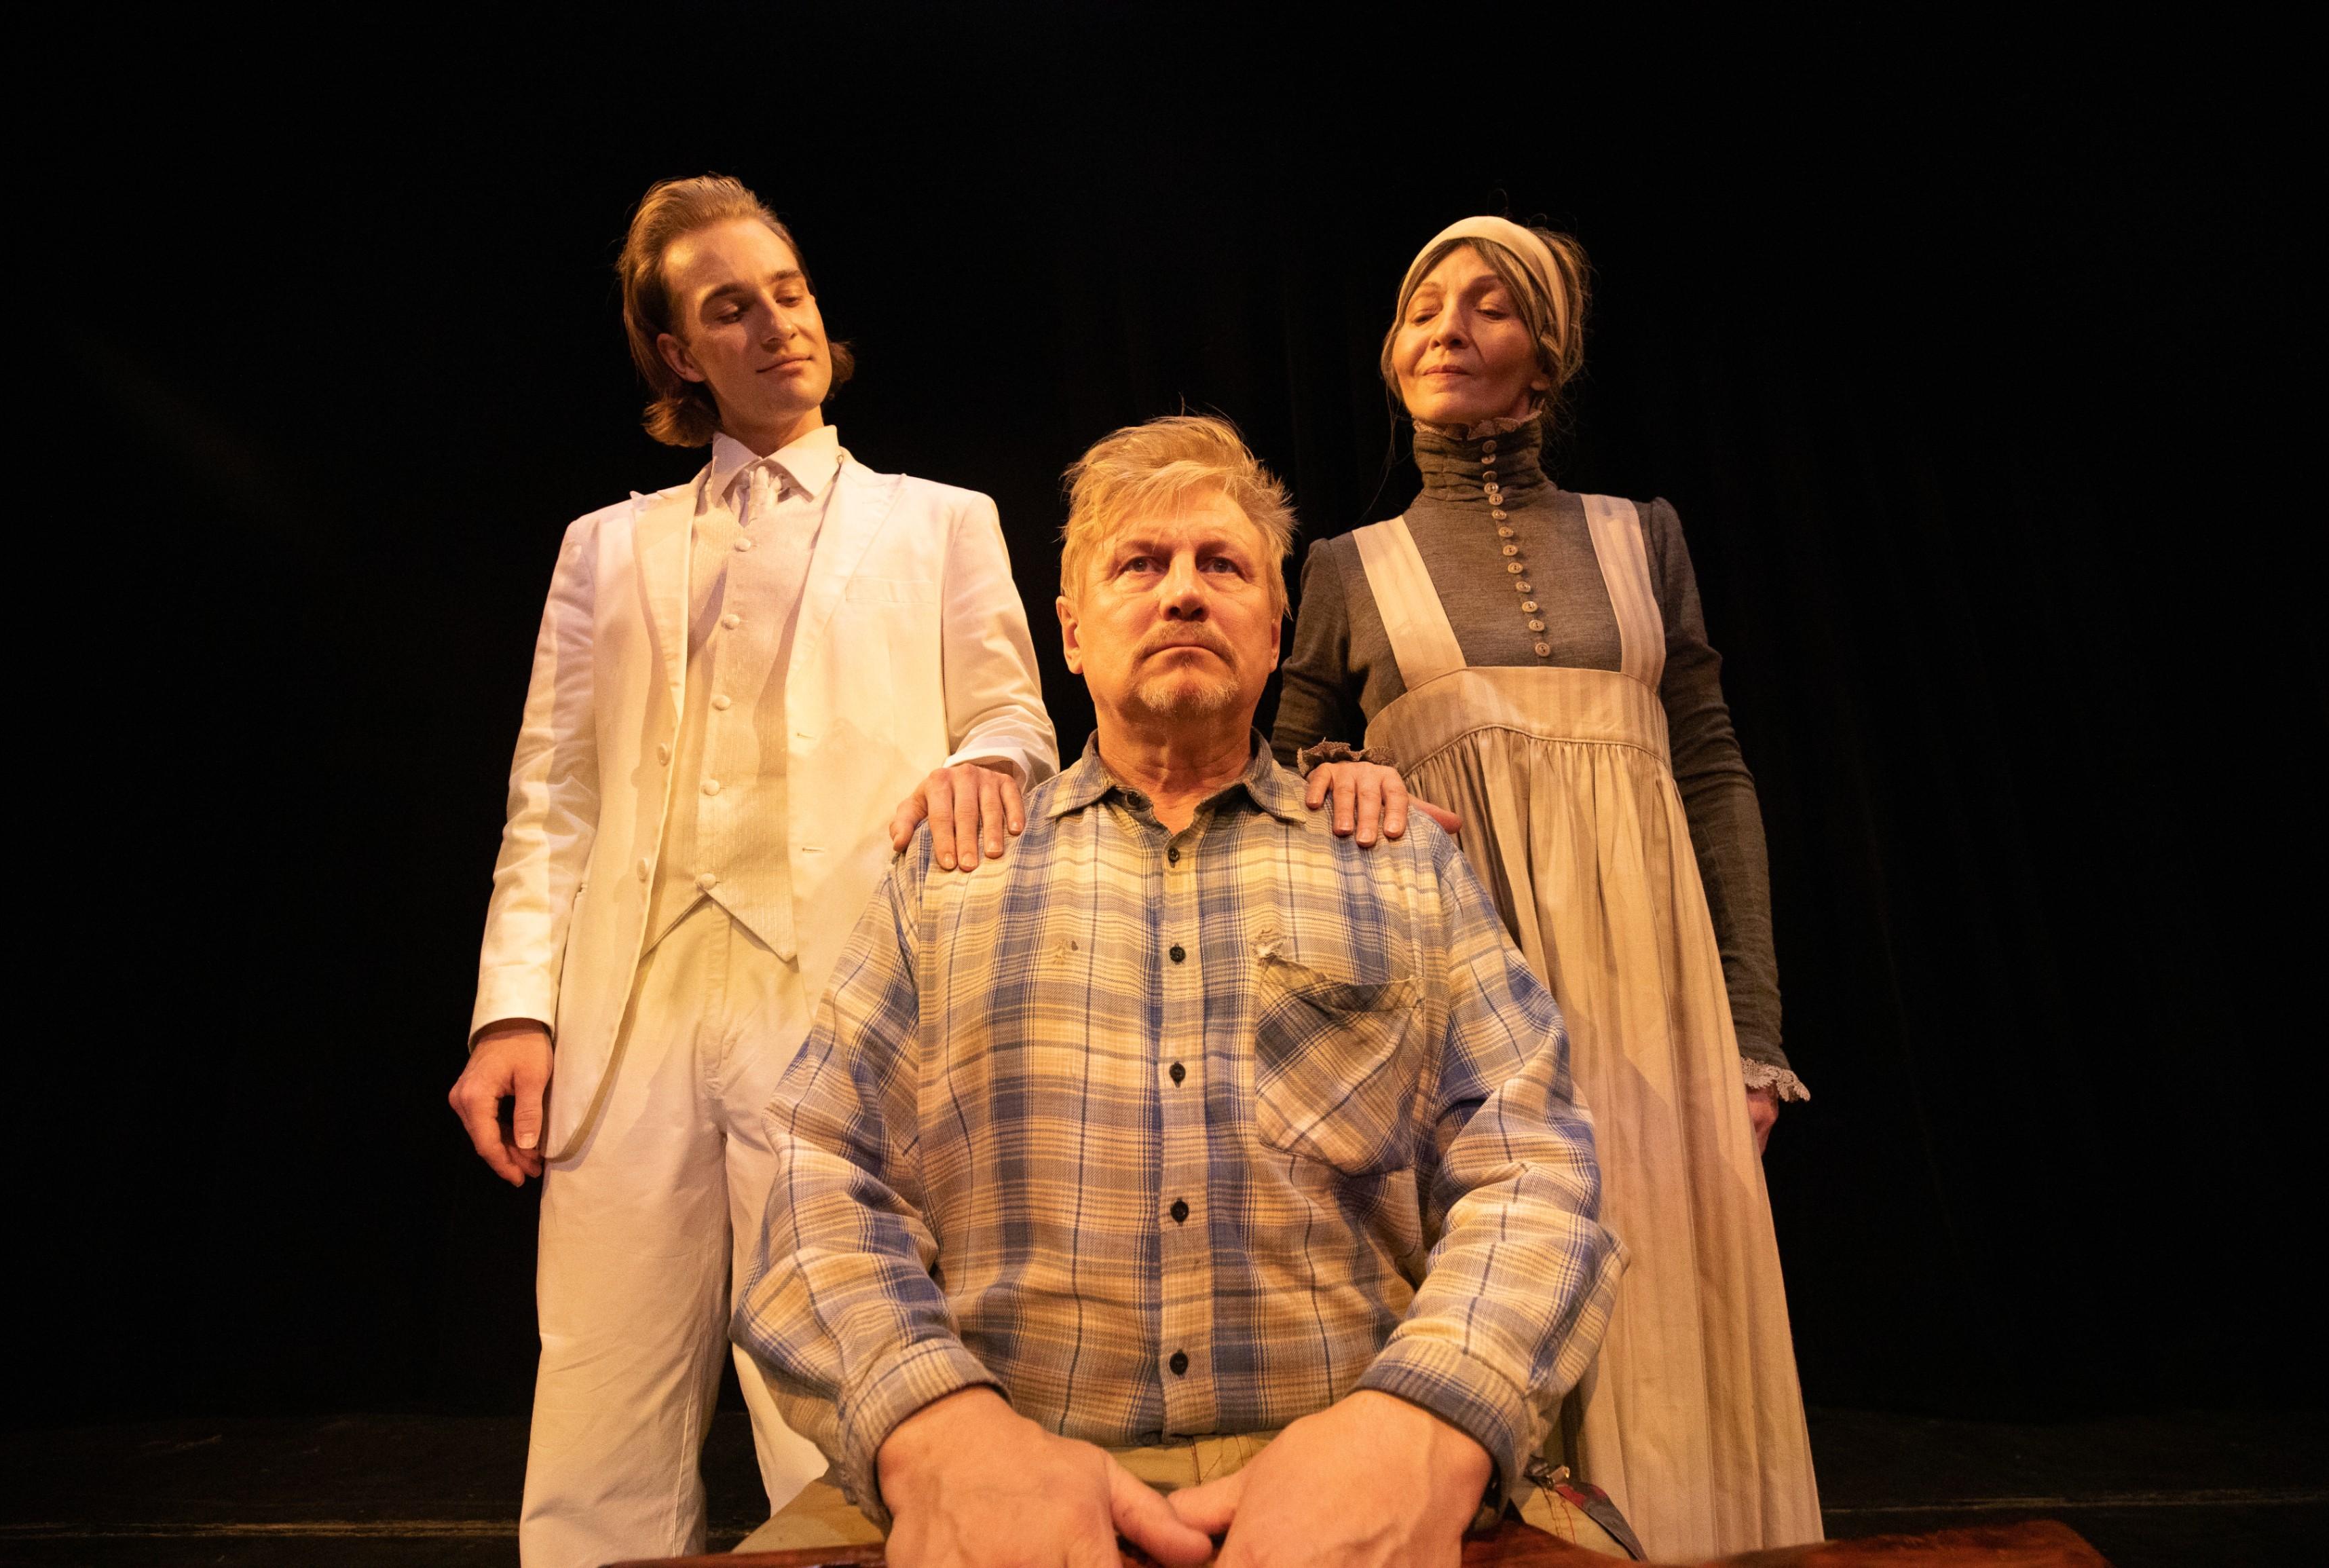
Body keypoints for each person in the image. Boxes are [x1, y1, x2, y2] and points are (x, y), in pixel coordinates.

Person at [735, 415, 1633, 1567]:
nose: (1182, 593)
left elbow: (1533, 1166)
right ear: (1069, 632)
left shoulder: (1397, 859)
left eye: (1222, 565)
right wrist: (935, 1432)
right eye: (1139, 564)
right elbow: (820, 1169)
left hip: (1350, 1460)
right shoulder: (951, 874)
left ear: (1276, 632)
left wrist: (1426, 1421)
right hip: (1003, 1457)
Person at [445, 174, 1059, 1568]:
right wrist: (512, 1010)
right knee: (600, 1396)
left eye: (789, 292)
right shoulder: (604, 548)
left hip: (836, 994)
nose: (777, 324)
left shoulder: (938, 521)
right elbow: (552, 797)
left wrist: (987, 767)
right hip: (631, 1005)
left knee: (836, 1396)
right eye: (731, 308)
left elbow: (1013, 721)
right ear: (678, 353)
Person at [1272, 216, 1821, 1556]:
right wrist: (1343, 775)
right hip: (1460, 1019)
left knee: (1678, 1329)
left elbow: (1712, 770)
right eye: (1422, 308)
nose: (1447, 329)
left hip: (1657, 1009)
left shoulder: (1642, 538)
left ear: (1546, 354)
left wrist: (1750, 1031)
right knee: (1499, 1339)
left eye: (1489, 305)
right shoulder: (1348, 567)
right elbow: (1267, 778)